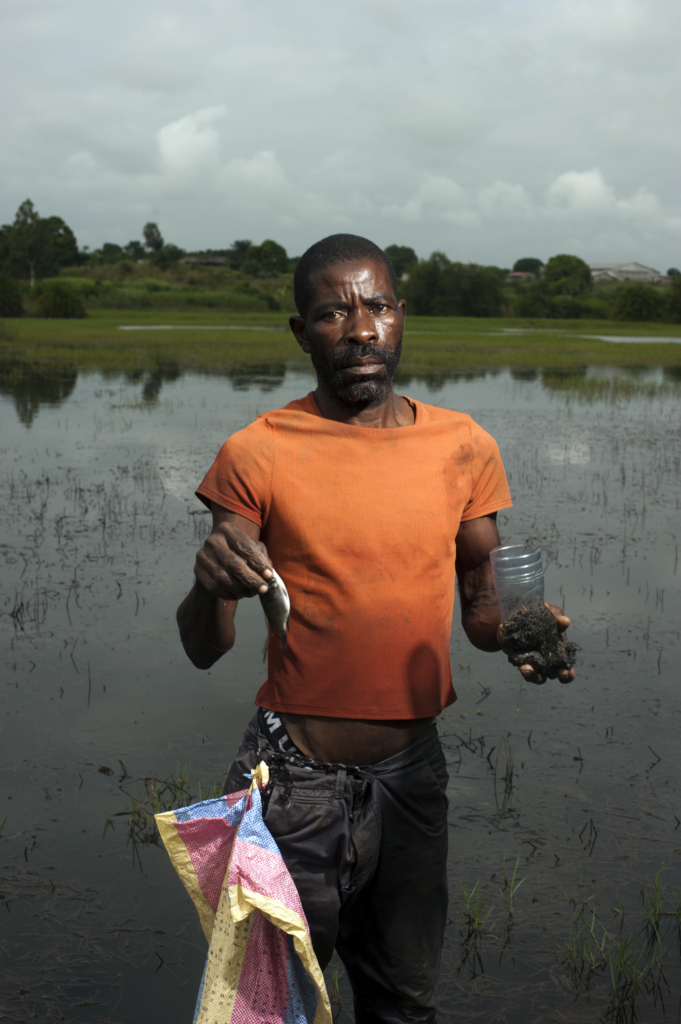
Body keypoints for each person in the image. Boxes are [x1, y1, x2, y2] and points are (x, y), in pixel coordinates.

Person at [176, 233, 574, 1023]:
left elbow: (481, 602)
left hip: (410, 781)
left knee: (402, 1000)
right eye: (333, 312)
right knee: (269, 1004)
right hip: (291, 784)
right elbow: (203, 646)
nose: (360, 329)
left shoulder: (462, 445)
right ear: (302, 332)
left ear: (400, 317)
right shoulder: (257, 452)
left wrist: (530, 635)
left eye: (377, 307)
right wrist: (207, 583)